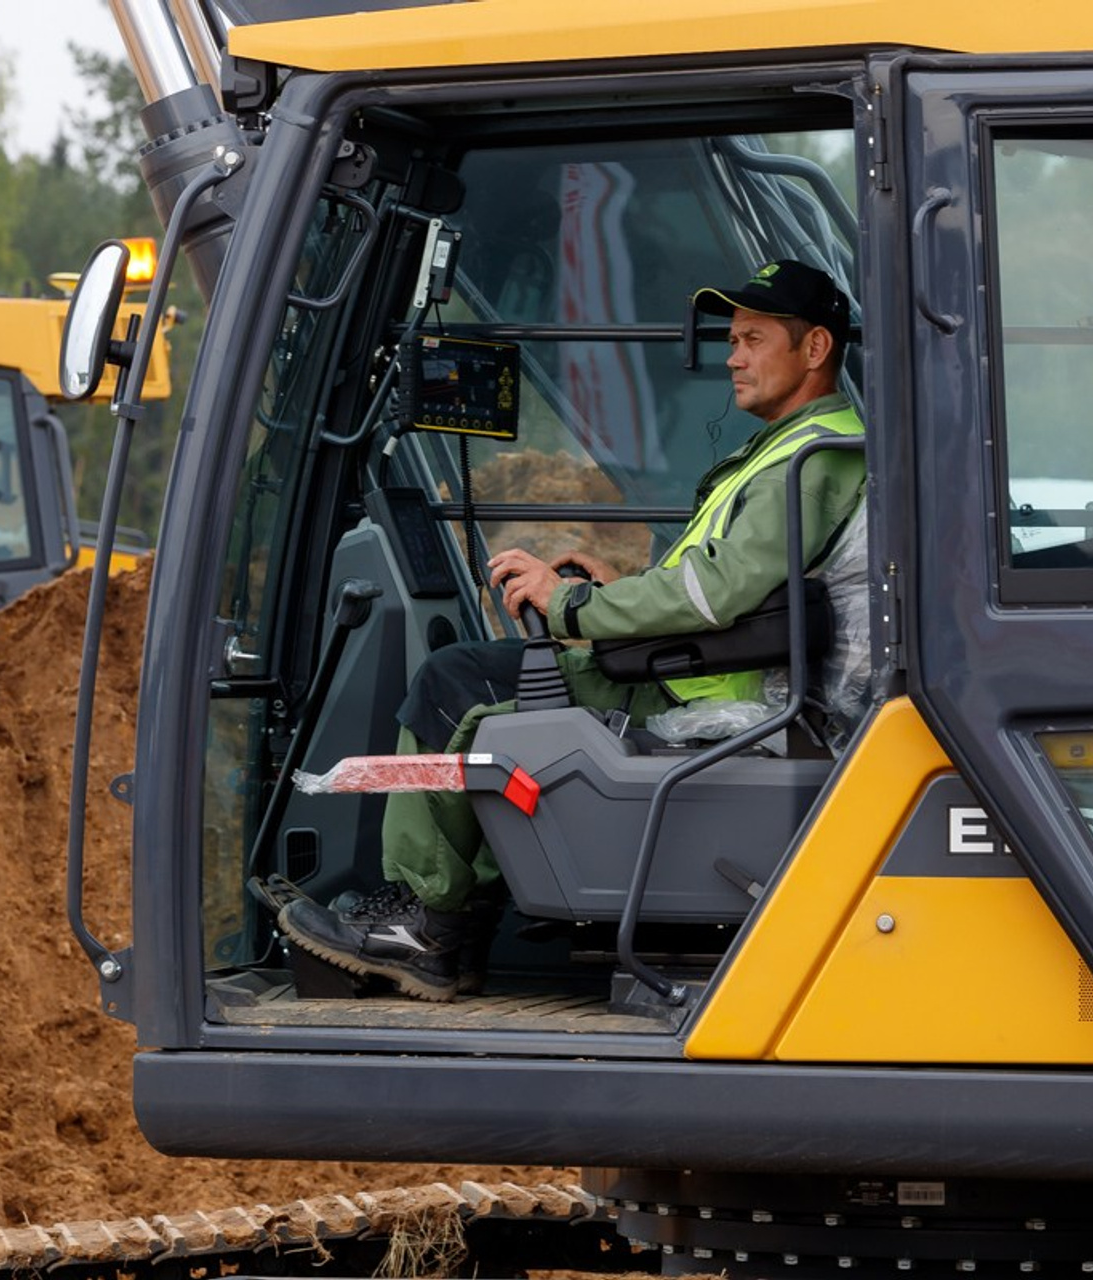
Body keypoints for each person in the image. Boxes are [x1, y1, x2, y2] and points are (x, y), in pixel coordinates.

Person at [279, 259, 866, 1001]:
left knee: (455, 690)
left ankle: (428, 925)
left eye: (752, 339)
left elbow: (716, 592)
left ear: (814, 349)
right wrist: (617, 596)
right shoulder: (806, 446)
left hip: (695, 696)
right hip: (691, 670)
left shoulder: (809, 460)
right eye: (731, 340)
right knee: (476, 678)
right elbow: (737, 589)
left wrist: (571, 607)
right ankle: (453, 937)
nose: (732, 356)